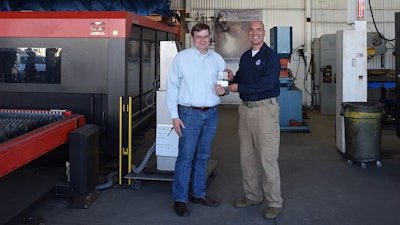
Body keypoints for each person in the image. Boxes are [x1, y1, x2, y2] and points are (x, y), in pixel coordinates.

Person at [166, 23, 229, 217]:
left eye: (205, 36)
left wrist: (223, 90)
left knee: (203, 155)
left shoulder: (218, 60)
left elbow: (223, 87)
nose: (202, 40)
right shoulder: (182, 59)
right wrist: (174, 117)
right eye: (198, 37)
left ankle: (198, 193)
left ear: (209, 38)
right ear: (192, 38)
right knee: (186, 156)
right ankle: (180, 199)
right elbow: (172, 87)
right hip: (189, 114)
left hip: (211, 113)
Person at [227, 20, 283, 219]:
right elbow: (242, 79)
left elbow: (267, 84)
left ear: (264, 33)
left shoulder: (271, 57)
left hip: (265, 110)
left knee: (267, 158)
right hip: (246, 111)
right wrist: (232, 78)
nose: (255, 33)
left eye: (258, 29)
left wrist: (239, 88)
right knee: (247, 158)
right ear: (248, 34)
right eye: (251, 30)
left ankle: (274, 202)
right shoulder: (245, 57)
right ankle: (252, 196)